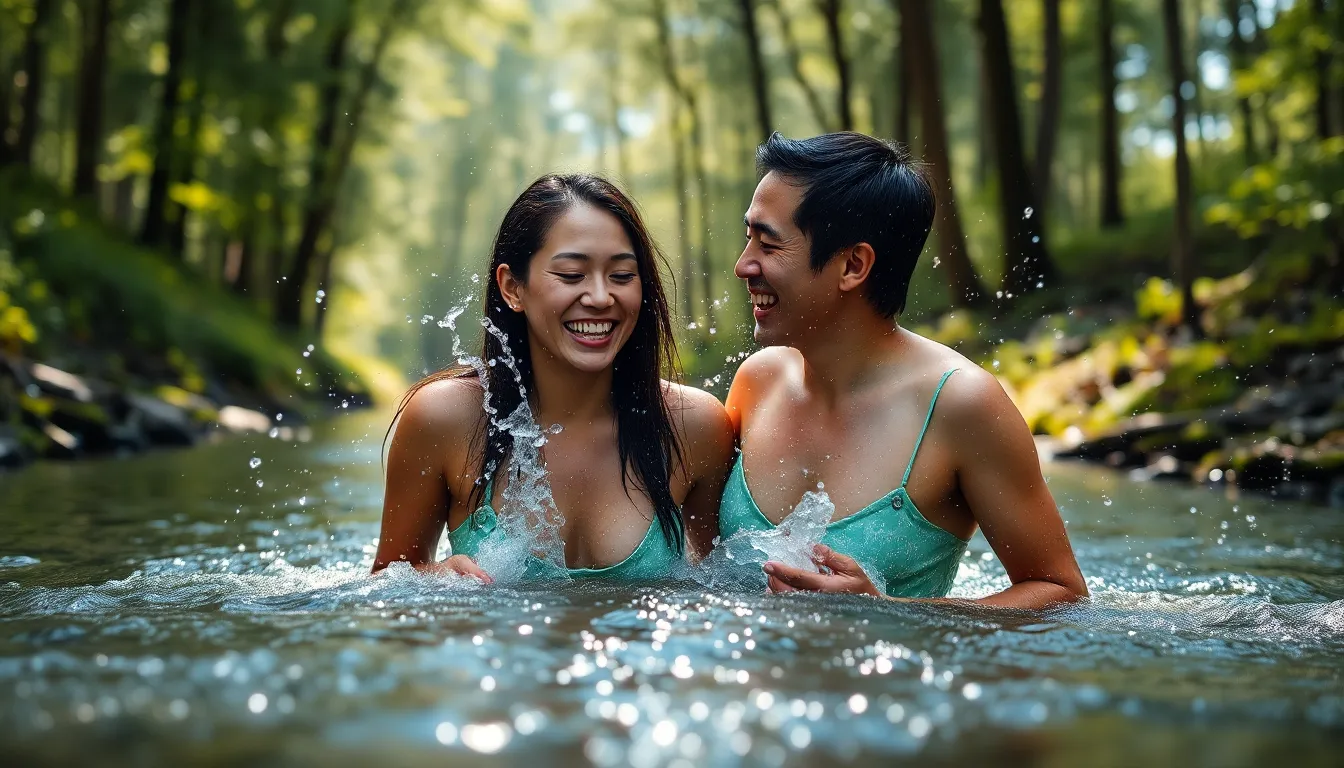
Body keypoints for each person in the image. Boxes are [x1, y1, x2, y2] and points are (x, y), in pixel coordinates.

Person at [721, 133, 1087, 609]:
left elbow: (1064, 594)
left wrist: (893, 612)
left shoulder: (960, 405)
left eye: (768, 244)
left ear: (853, 265)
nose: (742, 264)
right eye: (749, 237)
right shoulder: (757, 382)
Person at [374, 174, 733, 582]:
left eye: (621, 276)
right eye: (571, 275)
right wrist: (434, 578)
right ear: (513, 288)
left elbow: (726, 588)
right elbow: (384, 593)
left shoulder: (695, 426)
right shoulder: (443, 419)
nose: (600, 297)